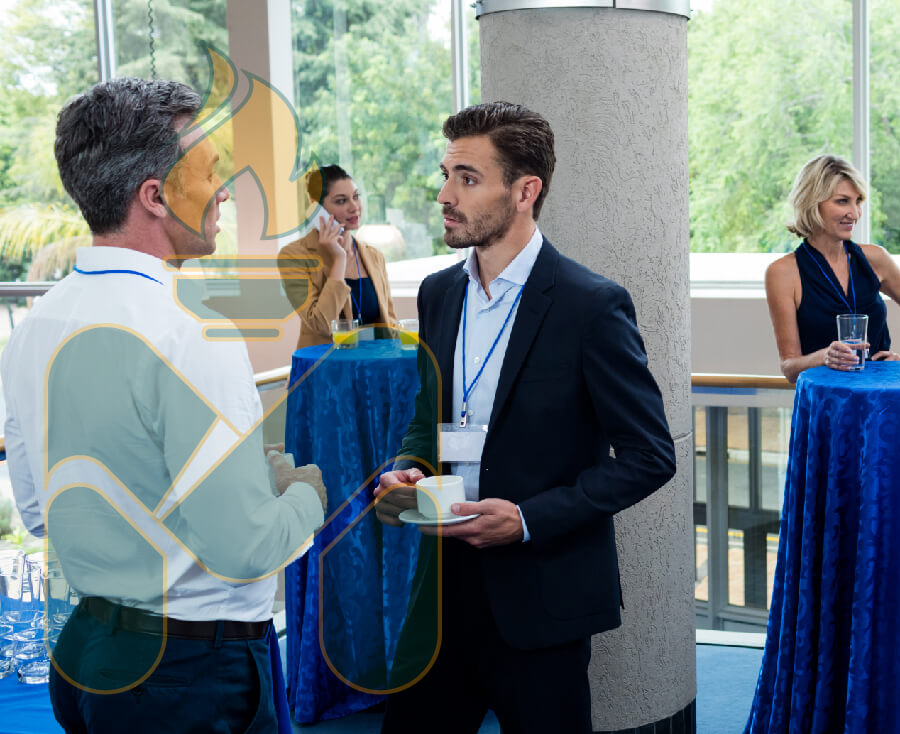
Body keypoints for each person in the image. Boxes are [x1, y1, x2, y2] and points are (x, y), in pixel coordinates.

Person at [1, 77, 326, 733]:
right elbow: (245, 549)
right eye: (209, 173)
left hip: (88, 653)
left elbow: (40, 514)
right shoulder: (190, 329)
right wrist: (305, 497)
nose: (225, 191)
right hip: (187, 674)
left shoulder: (37, 324)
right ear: (155, 197)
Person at [369, 102, 675, 733]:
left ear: (525, 191)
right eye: (446, 174)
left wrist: (530, 519)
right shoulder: (438, 293)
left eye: (467, 178)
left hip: (542, 601)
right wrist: (406, 466)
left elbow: (651, 456)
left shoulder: (592, 306)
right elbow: (428, 418)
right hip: (441, 595)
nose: (444, 194)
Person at [764, 155, 900, 381]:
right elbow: (789, 368)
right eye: (842, 201)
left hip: (882, 395)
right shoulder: (782, 273)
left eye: (858, 201)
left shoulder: (875, 257)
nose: (854, 213)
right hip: (827, 403)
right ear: (812, 202)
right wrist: (825, 357)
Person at [279, 164, 399, 347]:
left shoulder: (374, 256)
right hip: (327, 370)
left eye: (356, 197)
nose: (354, 207)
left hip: (373, 369)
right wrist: (339, 259)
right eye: (341, 201)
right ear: (316, 208)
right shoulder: (294, 256)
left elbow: (390, 323)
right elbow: (321, 324)